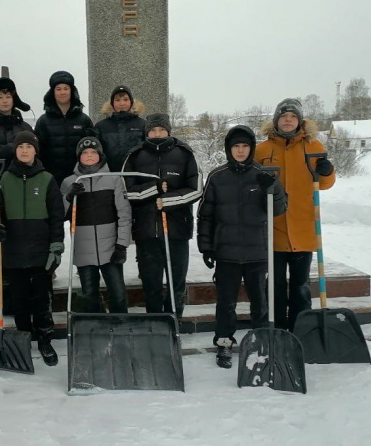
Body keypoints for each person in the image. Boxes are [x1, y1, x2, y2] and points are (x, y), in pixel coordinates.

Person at [197, 125, 288, 368]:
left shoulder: (262, 174)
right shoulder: (217, 177)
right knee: (226, 302)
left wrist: (272, 188)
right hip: (226, 253)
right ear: (229, 149)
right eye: (236, 146)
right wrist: (206, 247)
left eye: (245, 146)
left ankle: (261, 341)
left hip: (257, 252)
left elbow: (280, 208)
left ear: (251, 148)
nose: (240, 150)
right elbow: (206, 215)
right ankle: (224, 342)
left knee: (260, 302)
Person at [254, 98, 336, 331]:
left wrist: (327, 172)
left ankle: (301, 329)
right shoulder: (262, 150)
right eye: (283, 116)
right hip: (274, 228)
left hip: (303, 227)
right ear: (276, 120)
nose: (288, 120)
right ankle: (278, 330)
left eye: (292, 117)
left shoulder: (313, 146)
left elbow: (324, 184)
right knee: (275, 285)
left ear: (300, 121)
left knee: (301, 286)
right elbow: (252, 184)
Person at [0, 131, 64, 366]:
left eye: (28, 147)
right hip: (13, 250)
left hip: (40, 249)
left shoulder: (47, 179)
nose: (24, 150)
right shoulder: (3, 179)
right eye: (20, 146)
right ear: (15, 151)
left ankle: (45, 339)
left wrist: (56, 246)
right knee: (19, 300)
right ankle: (23, 338)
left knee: (42, 299)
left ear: (35, 151)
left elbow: (56, 216)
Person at [123, 114, 202, 319]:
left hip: (177, 230)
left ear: (168, 131)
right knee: (151, 284)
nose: (157, 134)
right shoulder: (135, 155)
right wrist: (153, 188)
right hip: (146, 230)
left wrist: (168, 201)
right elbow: (127, 191)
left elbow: (196, 189)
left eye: (161, 130)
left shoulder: (184, 154)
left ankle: (174, 322)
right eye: (153, 130)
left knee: (177, 283)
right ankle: (155, 323)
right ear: (146, 132)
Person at [60, 137, 131, 313]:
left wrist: (122, 244)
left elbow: (124, 213)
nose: (89, 155)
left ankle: (120, 324)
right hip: (83, 248)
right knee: (89, 295)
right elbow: (60, 214)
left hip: (110, 248)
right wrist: (69, 197)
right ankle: (94, 326)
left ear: (100, 155)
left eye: (93, 152)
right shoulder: (69, 182)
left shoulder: (114, 179)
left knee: (118, 294)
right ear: (79, 157)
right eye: (85, 153)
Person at [34, 71, 94, 186]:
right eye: (58, 89)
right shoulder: (43, 121)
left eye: (66, 88)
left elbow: (93, 149)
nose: (62, 92)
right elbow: (37, 152)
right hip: (51, 180)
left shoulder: (84, 120)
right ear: (52, 92)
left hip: (79, 179)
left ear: (72, 91)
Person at [94, 85, 145, 173]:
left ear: (131, 102)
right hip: (108, 174)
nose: (122, 103)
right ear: (112, 103)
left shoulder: (142, 124)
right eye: (117, 100)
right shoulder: (101, 126)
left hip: (136, 174)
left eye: (125, 99)